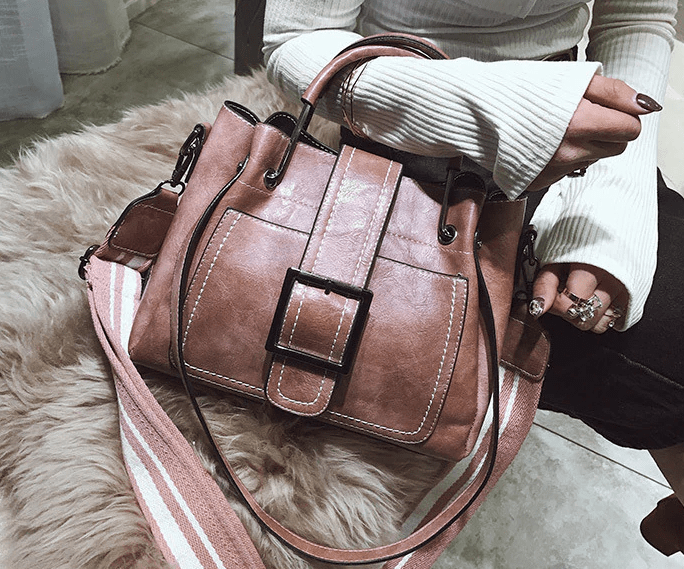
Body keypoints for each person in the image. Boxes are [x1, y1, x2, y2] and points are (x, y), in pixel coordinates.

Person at [262, 0, 684, 556]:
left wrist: (609, 204)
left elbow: (637, 15)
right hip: (404, 116)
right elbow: (295, 40)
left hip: (578, 127)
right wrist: (501, 114)